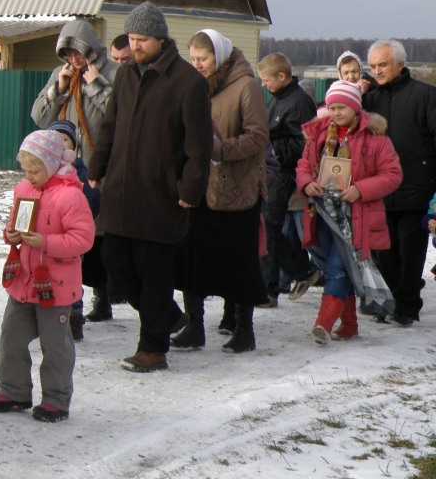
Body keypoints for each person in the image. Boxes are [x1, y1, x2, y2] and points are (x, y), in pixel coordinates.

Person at [89, 2, 213, 373]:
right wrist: (98, 165)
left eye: (142, 39)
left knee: (154, 273)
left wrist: (190, 189)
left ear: (160, 38)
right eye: (131, 38)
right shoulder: (126, 76)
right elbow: (109, 126)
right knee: (116, 264)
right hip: (121, 191)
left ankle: (153, 349)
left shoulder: (188, 82)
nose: (135, 45)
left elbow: (199, 145)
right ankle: (170, 316)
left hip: (161, 194)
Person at [0, 130, 94, 423]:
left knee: (55, 346)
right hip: (23, 282)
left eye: (35, 170)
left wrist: (44, 241)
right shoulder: (23, 189)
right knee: (11, 338)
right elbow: (12, 224)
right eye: (25, 170)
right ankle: (13, 391)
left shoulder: (71, 196)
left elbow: (83, 240)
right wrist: (10, 235)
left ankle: (56, 400)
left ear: (54, 164)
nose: (29, 176)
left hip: (55, 287)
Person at [171, 30, 269, 353]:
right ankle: (194, 326)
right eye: (194, 59)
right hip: (201, 186)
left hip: (238, 190)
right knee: (191, 256)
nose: (197, 65)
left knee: (239, 261)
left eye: (204, 59)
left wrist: (218, 148)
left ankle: (244, 329)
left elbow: (258, 138)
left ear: (220, 56)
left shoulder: (246, 86)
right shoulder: (194, 86)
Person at [297, 80, 402, 343]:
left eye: (342, 107)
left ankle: (324, 323)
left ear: (356, 108)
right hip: (321, 212)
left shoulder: (375, 138)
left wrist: (360, 189)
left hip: (355, 215)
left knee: (337, 268)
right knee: (336, 264)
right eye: (332, 107)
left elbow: (392, 174)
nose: (335, 113)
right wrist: (306, 182)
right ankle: (350, 323)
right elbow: (304, 164)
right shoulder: (319, 132)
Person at [363, 39, 436, 326]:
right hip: (380, 189)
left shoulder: (425, 96)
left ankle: (406, 307)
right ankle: (390, 299)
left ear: (400, 65)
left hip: (416, 187)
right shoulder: (370, 99)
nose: (377, 71)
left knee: (410, 249)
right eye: (373, 66)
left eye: (382, 64)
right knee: (385, 250)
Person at [256, 52, 321, 306]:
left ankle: (277, 285)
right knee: (267, 228)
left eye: (266, 80)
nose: (263, 84)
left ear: (281, 76)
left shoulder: (298, 102)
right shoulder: (279, 98)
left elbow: (303, 143)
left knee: (268, 228)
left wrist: (272, 148)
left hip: (285, 173)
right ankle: (286, 279)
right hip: (274, 170)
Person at [31, 20, 118, 170]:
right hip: (65, 169)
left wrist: (97, 87)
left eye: (78, 53)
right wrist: (58, 90)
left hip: (103, 168)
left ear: (91, 49)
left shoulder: (115, 72)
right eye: (68, 54)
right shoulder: (60, 73)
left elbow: (123, 117)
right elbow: (40, 118)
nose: (73, 60)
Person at [47, 119, 102, 337]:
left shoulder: (79, 171)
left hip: (71, 237)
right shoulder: (43, 170)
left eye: (65, 140)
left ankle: (74, 317)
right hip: (49, 235)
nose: (60, 144)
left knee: (71, 275)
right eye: (55, 140)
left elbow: (93, 197)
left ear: (73, 146)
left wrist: (80, 221)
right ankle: (50, 317)